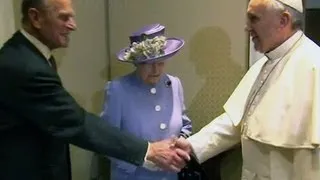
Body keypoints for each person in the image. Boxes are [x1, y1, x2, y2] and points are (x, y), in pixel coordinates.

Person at [0, 0, 190, 180]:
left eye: (161, 62)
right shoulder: (24, 66)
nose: (73, 25)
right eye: (64, 17)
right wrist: (149, 151)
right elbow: (75, 122)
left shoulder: (33, 57)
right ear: (36, 18)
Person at [175, 0, 320, 179]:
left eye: (254, 19)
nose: (247, 27)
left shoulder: (314, 66)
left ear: (283, 21)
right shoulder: (263, 65)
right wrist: (191, 145)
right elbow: (236, 122)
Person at [100, 23, 192, 180]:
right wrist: (147, 159)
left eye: (161, 62)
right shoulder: (118, 89)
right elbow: (106, 141)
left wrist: (179, 147)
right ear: (136, 62)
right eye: (148, 64)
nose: (156, 70)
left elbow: (185, 126)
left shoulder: (174, 84)